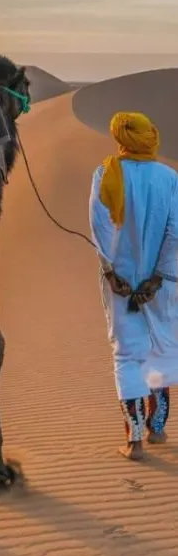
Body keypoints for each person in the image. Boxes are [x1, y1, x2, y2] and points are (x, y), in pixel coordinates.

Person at [89, 111, 178, 460]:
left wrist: (112, 272)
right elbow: (175, 233)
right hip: (163, 283)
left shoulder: (105, 173)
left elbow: (99, 226)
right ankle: (157, 430)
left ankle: (134, 440)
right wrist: (157, 278)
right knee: (161, 349)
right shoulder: (169, 178)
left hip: (120, 284)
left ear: (120, 138)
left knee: (127, 356)